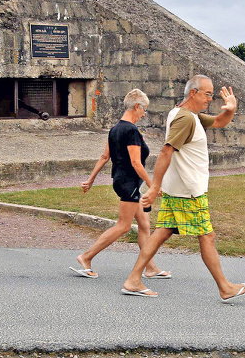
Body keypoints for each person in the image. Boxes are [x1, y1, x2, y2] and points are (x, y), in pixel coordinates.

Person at [120, 75, 245, 301]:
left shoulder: (187, 115)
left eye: (212, 94)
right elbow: (166, 152)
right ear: (193, 93)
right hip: (189, 192)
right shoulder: (186, 119)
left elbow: (220, 121)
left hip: (179, 189)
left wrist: (231, 108)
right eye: (207, 94)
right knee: (207, 236)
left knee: (162, 232)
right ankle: (225, 287)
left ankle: (133, 279)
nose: (210, 99)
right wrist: (154, 187)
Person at [70, 89, 170, 280]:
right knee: (123, 226)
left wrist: (90, 180)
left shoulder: (115, 128)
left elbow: (104, 157)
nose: (144, 114)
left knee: (144, 225)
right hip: (129, 183)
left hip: (123, 181)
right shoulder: (131, 130)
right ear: (137, 106)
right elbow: (135, 163)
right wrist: (153, 186)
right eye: (144, 110)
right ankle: (86, 257)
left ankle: (150, 268)